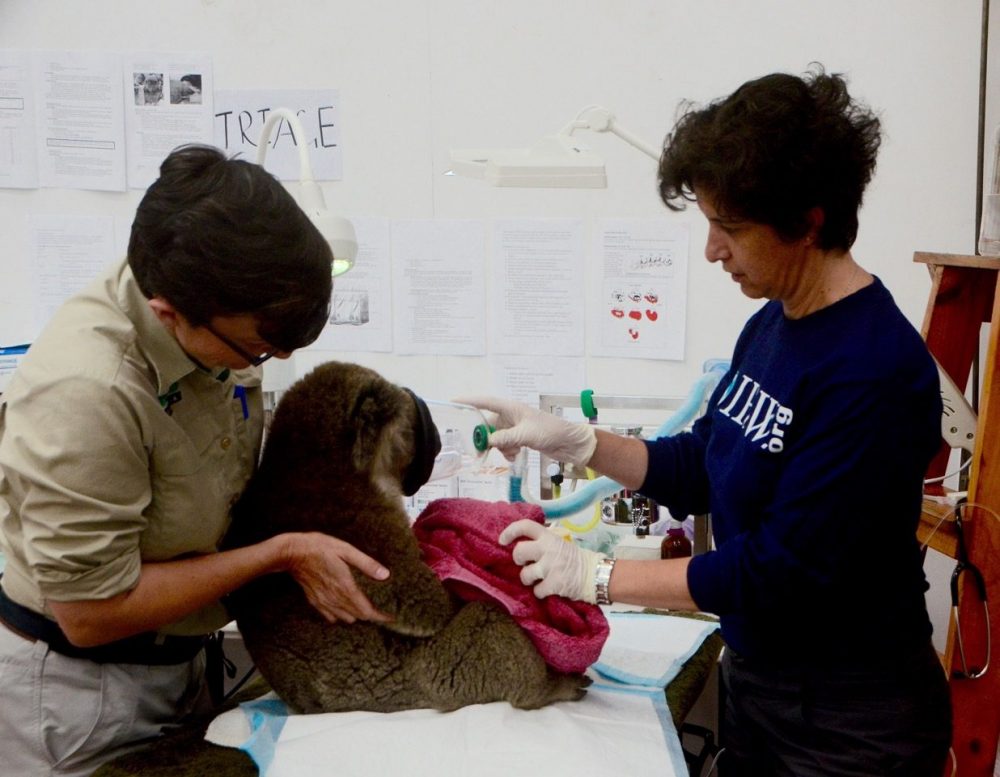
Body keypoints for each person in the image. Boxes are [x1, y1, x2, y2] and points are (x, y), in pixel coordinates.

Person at [461, 66, 952, 776]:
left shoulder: (874, 372)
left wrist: (595, 575)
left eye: (731, 227)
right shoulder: (773, 326)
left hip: (850, 723)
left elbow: (774, 572)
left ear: (808, 221)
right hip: (759, 688)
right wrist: (582, 441)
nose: (712, 250)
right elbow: (701, 465)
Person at [0, 144, 391, 776]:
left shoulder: (207, 303)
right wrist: (278, 554)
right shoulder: (88, 393)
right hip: (81, 699)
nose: (273, 362)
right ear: (168, 314)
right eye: (260, 349)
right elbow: (91, 614)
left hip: (177, 668)